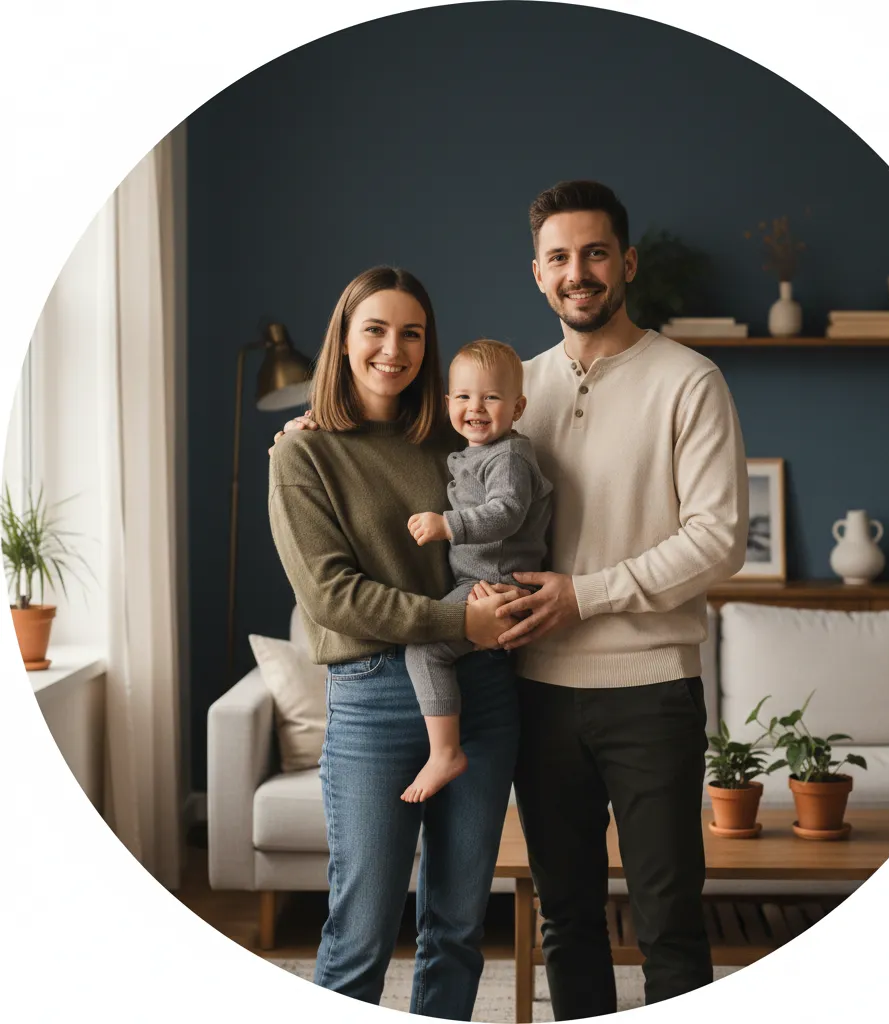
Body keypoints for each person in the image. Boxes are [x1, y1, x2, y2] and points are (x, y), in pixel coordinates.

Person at [278, 180, 749, 1019]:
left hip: (634, 689)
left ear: (626, 262)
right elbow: (357, 536)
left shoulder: (684, 380)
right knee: (556, 919)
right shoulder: (507, 392)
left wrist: (583, 597)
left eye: (596, 253)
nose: (579, 272)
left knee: (661, 922)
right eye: (560, 258)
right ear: (537, 274)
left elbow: (718, 538)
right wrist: (304, 426)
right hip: (525, 687)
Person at [267, 265, 521, 1019]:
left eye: (412, 333)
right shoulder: (301, 454)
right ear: (343, 341)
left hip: (481, 692)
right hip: (376, 697)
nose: (394, 348)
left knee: (458, 926)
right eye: (375, 329)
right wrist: (457, 624)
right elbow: (331, 597)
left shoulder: (459, 440)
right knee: (362, 930)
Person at [401, 339, 552, 803]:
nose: (476, 408)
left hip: (499, 585)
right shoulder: (471, 452)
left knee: (424, 649)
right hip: (481, 582)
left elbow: (506, 511)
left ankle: (444, 752)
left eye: (491, 397)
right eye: (464, 397)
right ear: (448, 403)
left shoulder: (508, 457)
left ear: (518, 406)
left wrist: (449, 524)